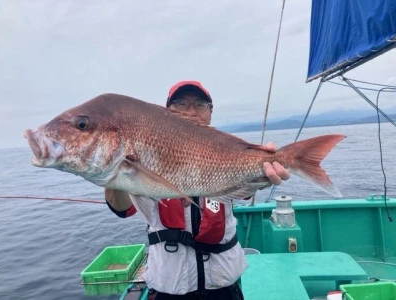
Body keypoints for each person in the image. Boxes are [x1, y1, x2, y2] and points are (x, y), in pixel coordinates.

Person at [105, 80, 290, 300]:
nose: (192, 111)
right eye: (181, 104)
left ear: (211, 112)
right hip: (170, 286)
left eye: (200, 104)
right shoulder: (148, 147)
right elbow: (122, 209)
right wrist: (113, 169)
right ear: (166, 111)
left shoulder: (225, 147)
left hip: (223, 284)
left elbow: (244, 192)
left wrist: (264, 175)